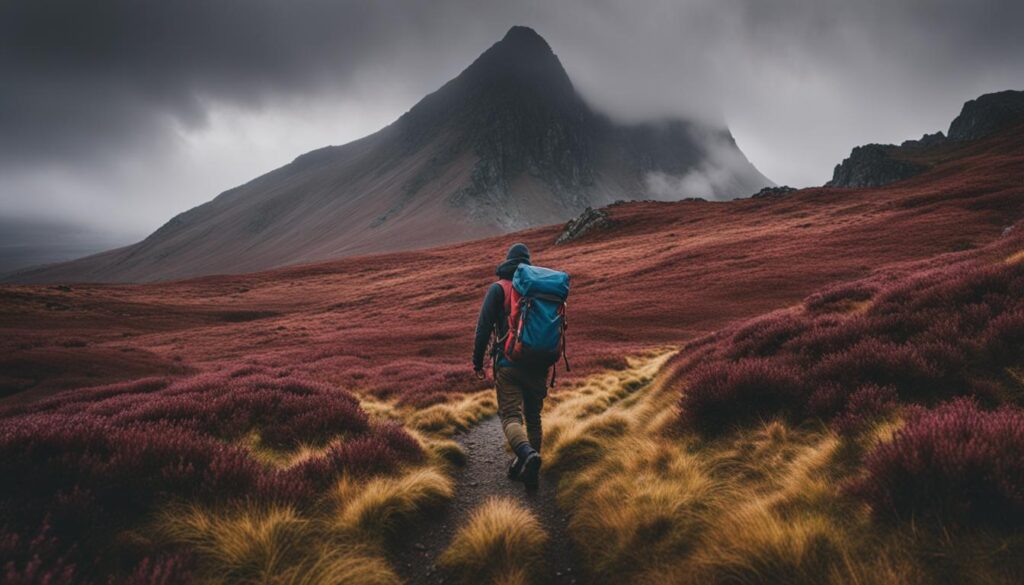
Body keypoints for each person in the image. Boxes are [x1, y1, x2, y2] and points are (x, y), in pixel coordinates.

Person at [473, 243, 547, 489]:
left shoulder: (498, 289)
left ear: (508, 262)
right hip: (539, 364)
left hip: (509, 363)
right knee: (534, 417)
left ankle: (527, 456)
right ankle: (528, 472)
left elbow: (483, 329)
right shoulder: (539, 289)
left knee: (511, 416)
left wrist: (477, 362)